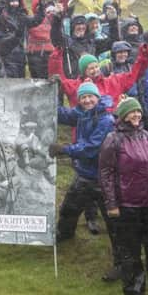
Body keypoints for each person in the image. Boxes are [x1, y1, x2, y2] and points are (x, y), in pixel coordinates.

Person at [99, 97, 148, 295]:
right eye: (132, 112)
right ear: (123, 115)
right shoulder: (113, 139)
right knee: (130, 256)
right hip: (127, 207)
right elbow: (106, 173)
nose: (136, 115)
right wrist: (111, 203)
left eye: (138, 112)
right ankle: (134, 293)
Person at [49, 83, 121, 279]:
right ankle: (64, 235)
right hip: (84, 174)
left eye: (91, 97)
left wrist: (65, 150)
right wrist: (55, 89)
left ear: (97, 98)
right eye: (83, 97)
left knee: (114, 224)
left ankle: (121, 263)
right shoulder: (81, 113)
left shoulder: (105, 119)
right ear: (79, 100)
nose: (87, 100)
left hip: (104, 178)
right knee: (68, 209)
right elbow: (59, 113)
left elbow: (92, 147)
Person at [50, 43, 148, 109]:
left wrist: (143, 56)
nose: (95, 71)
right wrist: (56, 56)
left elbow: (135, 74)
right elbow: (59, 79)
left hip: (112, 128)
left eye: (96, 67)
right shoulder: (75, 86)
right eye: (91, 68)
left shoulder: (113, 81)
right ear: (83, 71)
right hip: (85, 131)